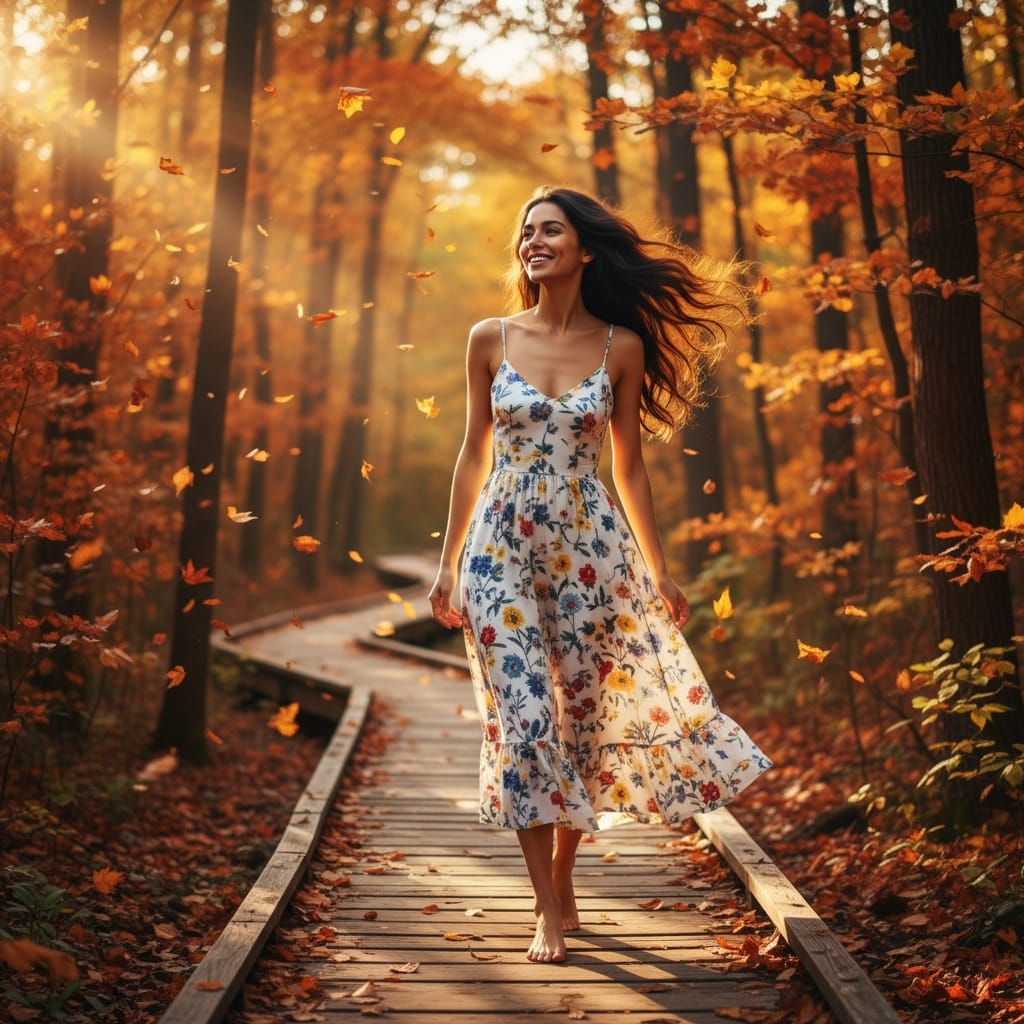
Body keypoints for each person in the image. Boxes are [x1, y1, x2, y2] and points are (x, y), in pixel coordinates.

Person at [428, 186, 773, 964]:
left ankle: (564, 871)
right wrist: (447, 565)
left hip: (591, 557)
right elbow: (471, 455)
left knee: (579, 725)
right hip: (500, 552)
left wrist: (659, 571)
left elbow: (631, 467)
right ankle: (545, 909)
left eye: (550, 230)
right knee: (523, 720)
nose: (533, 241)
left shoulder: (621, 346)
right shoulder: (491, 337)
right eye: (526, 232)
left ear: (585, 250)